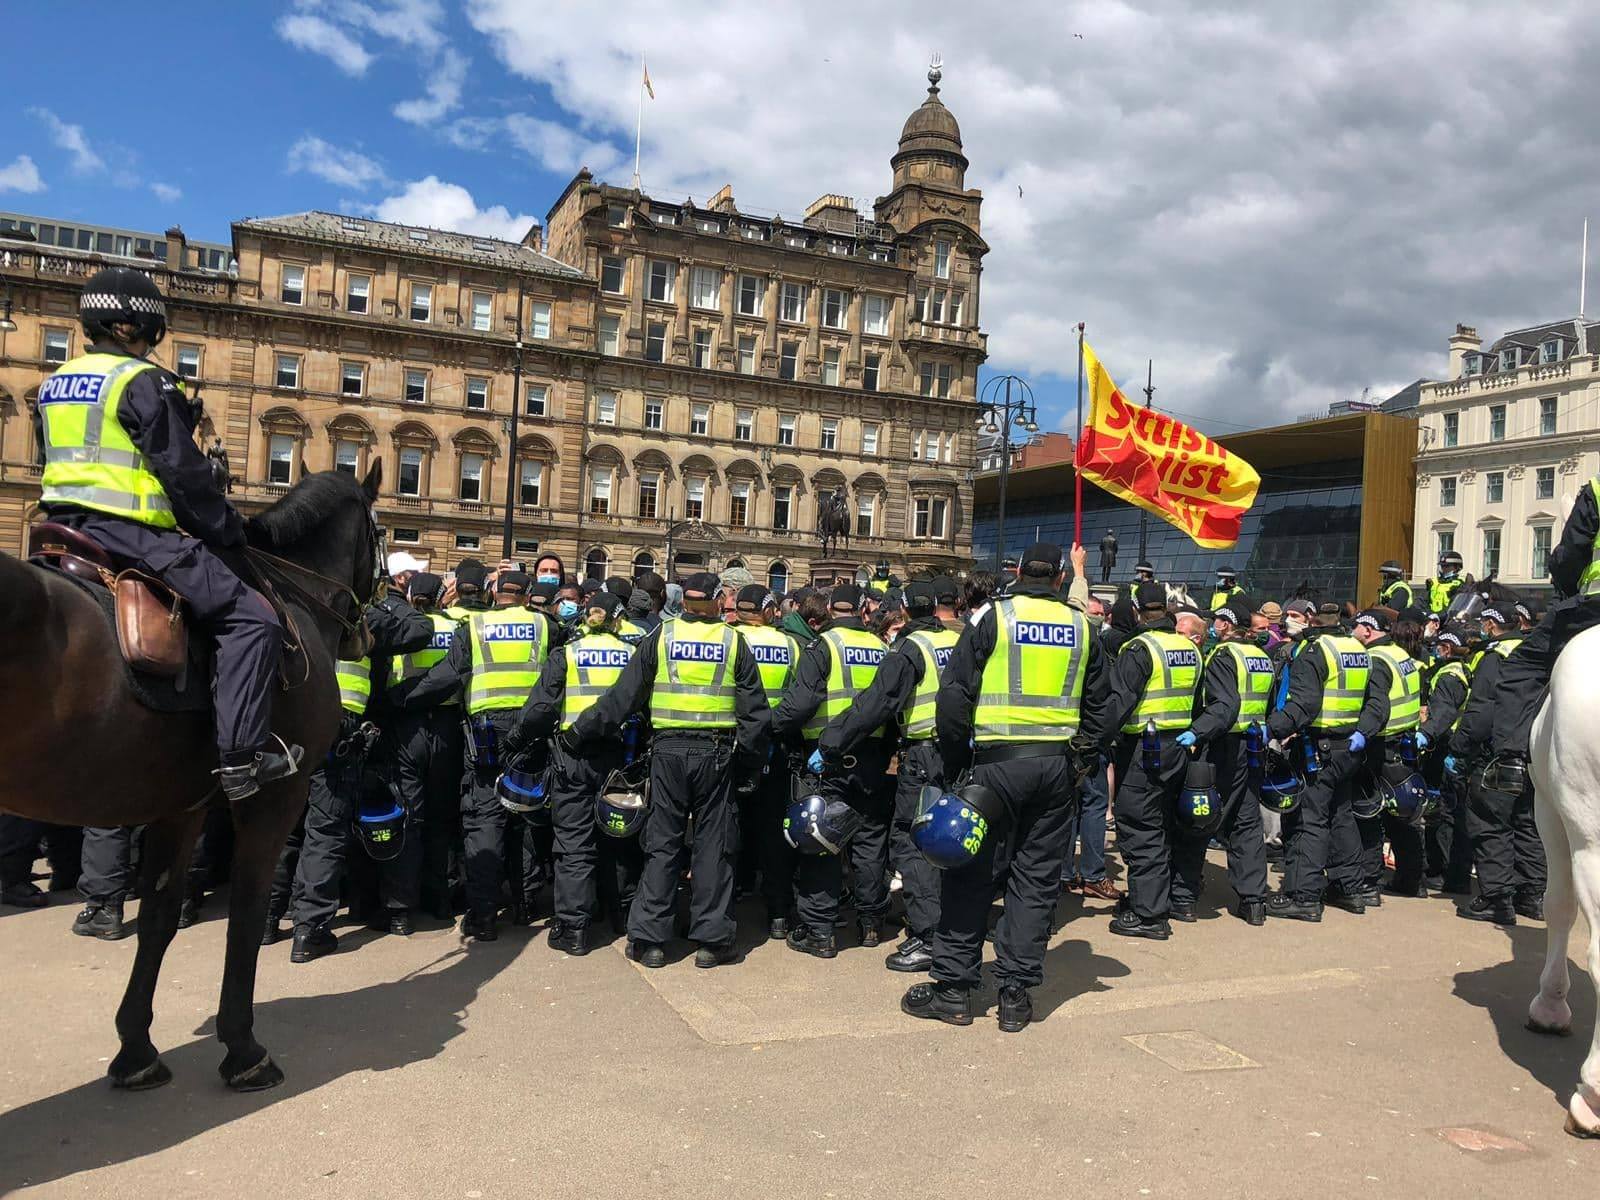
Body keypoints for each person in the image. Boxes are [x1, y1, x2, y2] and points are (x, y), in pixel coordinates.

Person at [36, 267, 295, 800]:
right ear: (129, 328)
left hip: (57, 530)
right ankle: (241, 762)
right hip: (130, 533)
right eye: (154, 335)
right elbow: (183, 475)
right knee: (252, 618)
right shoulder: (143, 382)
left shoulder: (53, 382)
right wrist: (227, 530)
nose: (155, 347)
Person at [901, 542, 1107, 1031]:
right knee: (1035, 881)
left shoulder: (993, 618)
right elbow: (1104, 704)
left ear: (1018, 572)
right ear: (1059, 577)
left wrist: (955, 763)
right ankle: (1015, 995)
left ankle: (953, 990)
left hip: (993, 766)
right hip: (1055, 769)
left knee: (969, 875)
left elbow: (954, 696)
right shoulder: (1082, 625)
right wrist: (1081, 758)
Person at [568, 573, 769, 968]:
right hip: (715, 754)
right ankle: (712, 940)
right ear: (715, 602)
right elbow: (755, 714)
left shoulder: (662, 636)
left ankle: (650, 940)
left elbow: (623, 697)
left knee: (662, 843)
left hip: (668, 751)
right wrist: (749, 764)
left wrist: (580, 730)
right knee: (714, 846)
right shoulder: (734, 642)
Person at [397, 567, 553, 941]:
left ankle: (483, 916)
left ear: (494, 591)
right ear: (528, 592)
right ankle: (526, 902)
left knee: (485, 820)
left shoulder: (475, 628)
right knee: (528, 814)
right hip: (530, 730)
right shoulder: (546, 626)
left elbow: (446, 677)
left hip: (485, 733)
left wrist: (398, 699)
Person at [818, 578, 961, 973]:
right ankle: (950, 925)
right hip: (957, 753)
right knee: (951, 840)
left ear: (902, 611)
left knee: (912, 843)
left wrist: (831, 743)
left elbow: (875, 705)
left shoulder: (908, 650)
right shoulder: (954, 643)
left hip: (923, 756)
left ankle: (928, 936)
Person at [505, 592, 639, 955]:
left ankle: (573, 928)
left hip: (572, 758)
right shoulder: (632, 655)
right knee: (618, 835)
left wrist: (515, 739)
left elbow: (540, 709)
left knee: (573, 842)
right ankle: (620, 914)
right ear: (617, 618)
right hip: (618, 757)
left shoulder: (567, 653)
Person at [775, 584, 897, 958]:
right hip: (873, 759)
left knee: (822, 842)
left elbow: (802, 703)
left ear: (828, 610)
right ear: (863, 611)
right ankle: (871, 924)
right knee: (871, 843)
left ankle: (820, 931)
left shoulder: (822, 646)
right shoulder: (883, 649)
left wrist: (774, 726)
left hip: (827, 760)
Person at [1265, 601, 1377, 921]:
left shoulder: (1315, 651)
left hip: (1319, 747)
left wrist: (1271, 729)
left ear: (1314, 621)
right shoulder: (1356, 648)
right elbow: (1374, 700)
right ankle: (1350, 888)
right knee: (1341, 816)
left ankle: (1304, 896)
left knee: (1306, 820)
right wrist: (1364, 732)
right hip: (1349, 746)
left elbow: (1305, 704)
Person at [1104, 587, 1203, 938]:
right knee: (1162, 825)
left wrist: (1093, 741)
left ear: (1136, 610)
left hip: (1144, 751)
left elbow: (1117, 703)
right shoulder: (1189, 648)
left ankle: (1149, 915)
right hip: (1179, 747)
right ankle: (1158, 899)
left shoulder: (1139, 649)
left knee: (1140, 827)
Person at [1175, 595, 1271, 925]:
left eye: (1217, 621)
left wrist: (1197, 733)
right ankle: (1254, 900)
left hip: (1221, 746)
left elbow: (1223, 706)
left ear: (1226, 624)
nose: (1213, 625)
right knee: (1246, 823)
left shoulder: (1223, 655)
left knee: (1200, 817)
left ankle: (1184, 897)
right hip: (1253, 746)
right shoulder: (1260, 657)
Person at [1494, 478, 1600, 763]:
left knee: (1521, 667)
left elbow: (1570, 556)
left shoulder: (1597, 489)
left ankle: (1510, 759)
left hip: (1594, 607)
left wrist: (1564, 584)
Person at [1450, 601, 1544, 925]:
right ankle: (1532, 896)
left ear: (1491, 625)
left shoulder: (1495, 657)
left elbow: (1481, 714)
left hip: (1497, 754)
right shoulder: (1535, 650)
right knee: (1526, 822)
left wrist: (1459, 748)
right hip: (1532, 753)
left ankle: (1496, 899)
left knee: (1490, 823)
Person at [386, 572, 466, 920]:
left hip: (407, 726)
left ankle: (401, 909)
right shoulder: (455, 628)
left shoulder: (402, 627)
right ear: (440, 597)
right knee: (442, 819)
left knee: (407, 816)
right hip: (447, 727)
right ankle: (441, 901)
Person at [728, 585, 801, 940]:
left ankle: (731, 896)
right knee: (775, 829)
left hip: (733, 743)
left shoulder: (727, 639)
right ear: (769, 610)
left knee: (729, 822)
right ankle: (777, 912)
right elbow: (800, 694)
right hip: (776, 744)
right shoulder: (788, 645)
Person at [1350, 609, 1424, 899]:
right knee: (1402, 814)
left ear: (1368, 630)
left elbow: (1376, 705)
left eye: (1356, 626)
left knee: (1369, 813)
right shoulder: (1400, 654)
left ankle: (1368, 883)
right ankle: (1410, 881)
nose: (1353, 631)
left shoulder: (1376, 660)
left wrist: (1362, 733)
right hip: (1403, 741)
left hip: (1381, 744)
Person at [1419, 623, 1474, 894]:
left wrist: (1425, 735)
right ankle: (1451, 871)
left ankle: (1443, 872)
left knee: (1443, 813)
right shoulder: (1462, 669)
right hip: (1453, 747)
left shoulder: (1449, 676)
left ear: (1448, 647)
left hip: (1444, 748)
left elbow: (1444, 714)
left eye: (1439, 644)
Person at [1425, 550, 1467, 616]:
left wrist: (1438, 616)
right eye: (1442, 566)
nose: (1444, 569)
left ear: (1457, 567)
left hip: (1447, 620)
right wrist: (1426, 613)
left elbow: (1454, 606)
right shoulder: (1433, 582)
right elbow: (1422, 601)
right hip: (1430, 619)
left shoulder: (1459, 585)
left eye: (1447, 566)